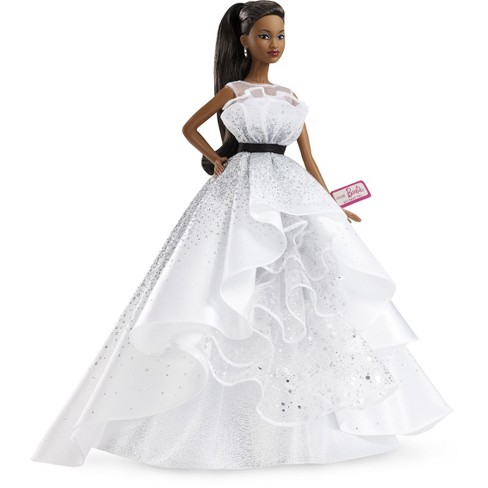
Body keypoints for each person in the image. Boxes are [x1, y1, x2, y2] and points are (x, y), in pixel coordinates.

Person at [31, 1, 453, 470]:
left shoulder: (291, 98)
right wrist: (215, 158)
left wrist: (332, 205)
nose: (275, 44)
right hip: (240, 190)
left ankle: (304, 423)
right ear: (244, 40)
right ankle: (216, 424)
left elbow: (310, 160)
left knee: (300, 288)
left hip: (289, 191)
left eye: (281, 36)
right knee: (230, 275)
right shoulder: (234, 92)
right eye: (265, 36)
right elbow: (188, 127)